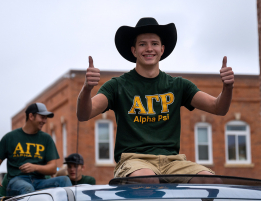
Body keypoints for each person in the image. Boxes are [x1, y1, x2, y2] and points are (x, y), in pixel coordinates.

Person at [76, 17, 234, 181]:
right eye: (142, 44)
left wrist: (228, 87)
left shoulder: (178, 85)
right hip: (134, 161)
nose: (149, 48)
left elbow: (218, 108)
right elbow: (84, 114)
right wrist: (87, 88)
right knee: (148, 179)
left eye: (155, 43)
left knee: (212, 181)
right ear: (134, 50)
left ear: (162, 49)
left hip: (173, 162)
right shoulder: (117, 86)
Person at [0, 103, 72, 196]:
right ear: (31, 116)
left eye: (46, 118)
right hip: (16, 181)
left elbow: (52, 168)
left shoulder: (46, 139)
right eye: (42, 117)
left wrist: (35, 167)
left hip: (40, 182)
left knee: (64, 180)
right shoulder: (10, 137)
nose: (45, 121)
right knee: (27, 188)